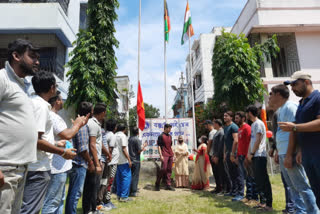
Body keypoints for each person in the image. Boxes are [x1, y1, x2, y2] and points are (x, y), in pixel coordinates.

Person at [20, 71, 76, 214]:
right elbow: (36, 140)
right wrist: (63, 152)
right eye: (56, 86)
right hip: (37, 167)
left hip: (34, 165)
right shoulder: (40, 106)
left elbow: (36, 137)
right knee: (31, 209)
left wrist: (57, 144)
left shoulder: (33, 102)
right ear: (52, 88)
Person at [0, 39, 39, 213]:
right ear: (16, 56)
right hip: (5, 168)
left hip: (21, 168)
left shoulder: (23, 86)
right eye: (32, 57)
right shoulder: (2, 78)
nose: (37, 62)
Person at [269, 84, 319, 214]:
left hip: (290, 152)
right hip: (284, 152)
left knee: (301, 186)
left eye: (271, 94)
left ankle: (312, 211)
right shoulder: (281, 110)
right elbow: (283, 132)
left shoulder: (290, 106)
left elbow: (295, 130)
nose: (269, 96)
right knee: (293, 187)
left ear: (278, 95)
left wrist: (290, 154)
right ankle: (300, 211)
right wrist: (279, 151)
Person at [42, 91, 88, 214]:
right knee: (52, 202)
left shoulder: (53, 116)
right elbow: (67, 135)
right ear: (57, 101)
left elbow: (57, 138)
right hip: (56, 167)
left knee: (59, 201)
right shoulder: (53, 116)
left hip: (60, 166)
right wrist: (78, 125)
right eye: (61, 99)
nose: (62, 102)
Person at [279, 71, 320, 209]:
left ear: (306, 82)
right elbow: (304, 130)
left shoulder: (317, 98)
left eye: (295, 84)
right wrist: (301, 149)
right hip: (308, 154)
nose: (292, 88)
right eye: (291, 85)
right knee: (316, 191)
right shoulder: (302, 103)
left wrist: (294, 127)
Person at [65, 102, 95, 214]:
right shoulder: (82, 126)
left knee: (72, 192)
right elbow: (83, 149)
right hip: (79, 164)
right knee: (76, 193)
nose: (93, 112)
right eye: (92, 110)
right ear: (89, 113)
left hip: (76, 163)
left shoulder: (78, 123)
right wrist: (90, 162)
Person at [83, 103, 109, 214]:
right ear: (102, 113)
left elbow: (98, 144)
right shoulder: (93, 124)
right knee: (92, 186)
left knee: (94, 186)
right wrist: (97, 163)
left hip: (95, 158)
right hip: (94, 159)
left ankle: (91, 209)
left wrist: (107, 153)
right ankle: (90, 210)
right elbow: (92, 144)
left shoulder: (96, 124)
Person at [246, 105, 273, 212]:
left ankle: (269, 204)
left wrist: (252, 153)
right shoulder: (253, 124)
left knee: (264, 180)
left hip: (259, 155)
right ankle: (263, 202)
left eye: (247, 113)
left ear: (250, 113)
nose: (247, 115)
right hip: (254, 155)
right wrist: (249, 153)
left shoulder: (258, 123)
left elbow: (258, 139)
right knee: (258, 180)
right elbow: (252, 141)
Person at [234, 111, 257, 202]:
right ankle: (248, 196)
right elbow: (240, 143)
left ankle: (253, 196)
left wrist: (248, 156)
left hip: (246, 156)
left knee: (250, 176)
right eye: (235, 118)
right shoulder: (240, 129)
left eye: (237, 118)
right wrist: (237, 155)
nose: (236, 120)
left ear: (243, 118)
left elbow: (249, 143)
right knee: (245, 176)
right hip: (240, 156)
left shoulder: (247, 128)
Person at [97, 119, 118, 210]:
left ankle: (103, 199)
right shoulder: (112, 136)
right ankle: (107, 200)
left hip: (108, 161)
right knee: (109, 181)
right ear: (114, 127)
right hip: (111, 162)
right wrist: (109, 158)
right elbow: (110, 149)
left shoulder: (106, 134)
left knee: (105, 181)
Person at [223, 111, 241, 199]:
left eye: (226, 116)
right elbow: (225, 142)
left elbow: (236, 140)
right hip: (228, 153)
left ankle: (238, 192)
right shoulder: (225, 127)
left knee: (236, 173)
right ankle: (233, 191)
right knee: (231, 173)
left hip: (234, 153)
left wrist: (232, 153)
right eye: (224, 116)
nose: (224, 117)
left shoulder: (233, 127)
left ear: (231, 117)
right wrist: (224, 153)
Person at [155, 124, 175, 191]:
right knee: (163, 169)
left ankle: (168, 184)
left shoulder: (170, 136)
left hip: (170, 154)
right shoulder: (161, 136)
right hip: (164, 154)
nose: (170, 130)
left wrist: (173, 154)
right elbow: (159, 146)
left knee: (169, 169)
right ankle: (157, 183)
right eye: (169, 128)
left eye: (170, 128)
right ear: (165, 128)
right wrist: (161, 155)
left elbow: (170, 146)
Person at [115, 124, 132, 202]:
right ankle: (124, 196)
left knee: (118, 178)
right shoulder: (123, 136)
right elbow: (124, 148)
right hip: (123, 160)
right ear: (124, 129)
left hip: (116, 160)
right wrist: (129, 159)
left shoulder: (114, 135)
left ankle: (119, 194)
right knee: (126, 178)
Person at [128, 127, 147, 196]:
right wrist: (144, 146)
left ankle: (130, 190)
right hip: (136, 160)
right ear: (138, 132)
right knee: (135, 176)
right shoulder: (137, 140)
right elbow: (139, 151)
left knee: (130, 175)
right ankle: (133, 191)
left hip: (130, 159)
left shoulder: (129, 139)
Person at [211, 119, 227, 195]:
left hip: (220, 156)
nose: (213, 125)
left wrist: (217, 156)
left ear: (217, 124)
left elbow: (220, 145)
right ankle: (218, 188)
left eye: (214, 124)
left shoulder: (221, 132)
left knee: (222, 173)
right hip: (216, 155)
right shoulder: (217, 132)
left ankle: (223, 188)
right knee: (217, 173)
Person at [205, 120, 217, 193]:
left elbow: (210, 143)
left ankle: (219, 186)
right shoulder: (215, 131)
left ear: (209, 124)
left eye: (206, 125)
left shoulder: (212, 132)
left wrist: (207, 152)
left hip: (213, 153)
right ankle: (218, 186)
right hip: (215, 153)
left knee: (216, 171)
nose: (205, 127)